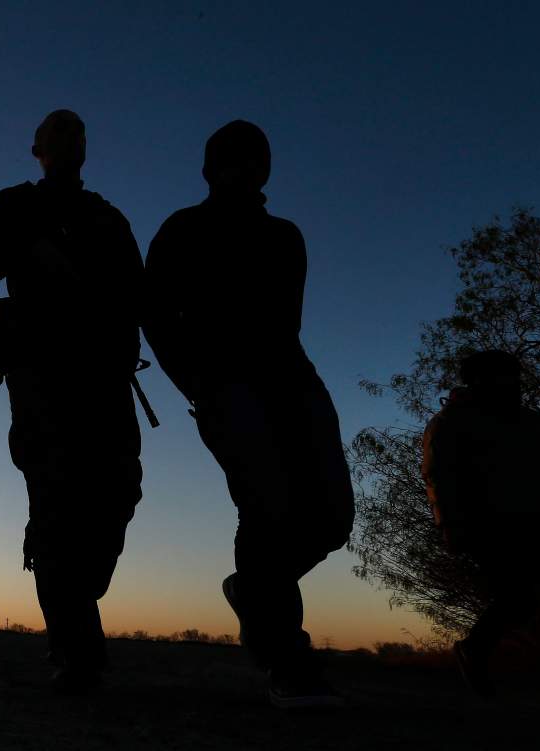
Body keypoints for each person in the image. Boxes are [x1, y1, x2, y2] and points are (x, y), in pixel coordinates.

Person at [142, 120, 355, 709]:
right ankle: (288, 662)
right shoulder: (182, 230)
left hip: (294, 381)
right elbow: (155, 318)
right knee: (268, 510)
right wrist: (201, 384)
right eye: (231, 161)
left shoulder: (286, 236)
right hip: (226, 388)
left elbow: (290, 322)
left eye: (255, 161)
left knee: (333, 518)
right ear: (209, 169)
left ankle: (252, 591)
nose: (244, 170)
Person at [0, 110, 145, 693]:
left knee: (117, 494)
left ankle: (69, 600)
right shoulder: (16, 205)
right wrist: (25, 244)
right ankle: (76, 650)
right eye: (56, 133)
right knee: (59, 501)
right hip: (42, 382)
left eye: (77, 132)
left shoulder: (107, 218)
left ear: (86, 149)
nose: (68, 140)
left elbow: (140, 297)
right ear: (36, 148)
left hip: (106, 382)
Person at [422, 350, 540, 718]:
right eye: (501, 377)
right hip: (491, 527)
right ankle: (475, 649)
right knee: (519, 600)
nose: (512, 383)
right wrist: (450, 525)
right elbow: (439, 476)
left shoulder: (535, 422)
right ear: (478, 381)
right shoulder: (451, 423)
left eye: (513, 376)